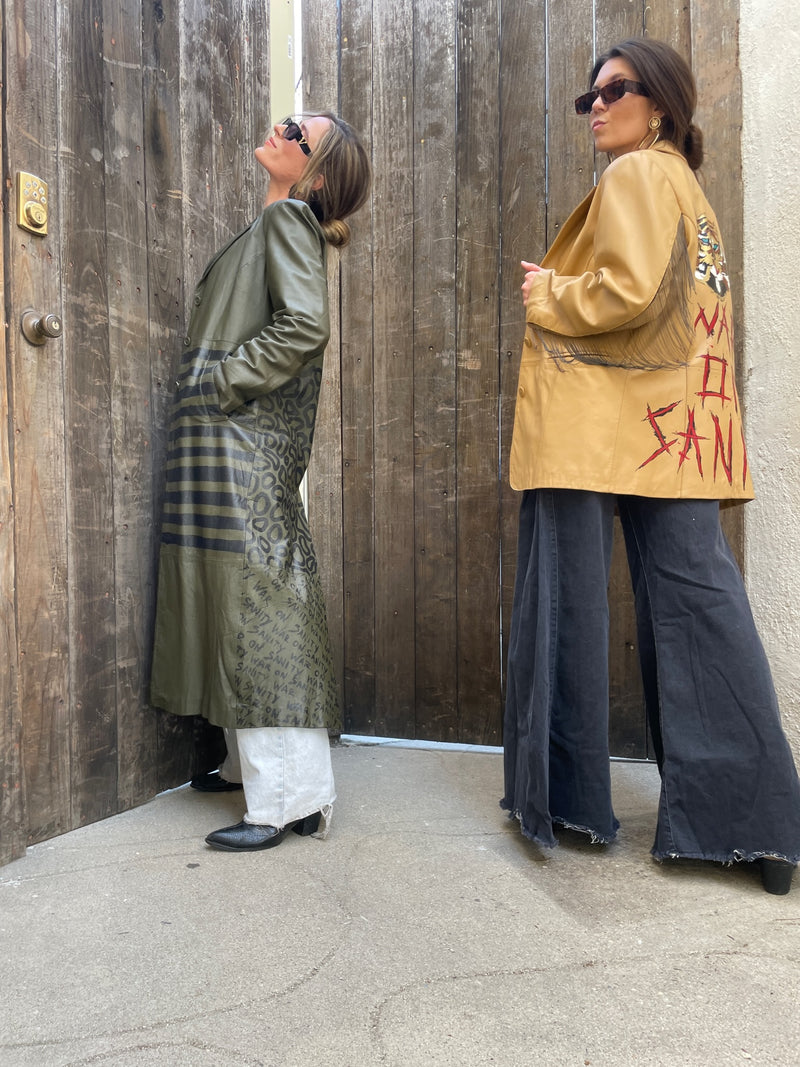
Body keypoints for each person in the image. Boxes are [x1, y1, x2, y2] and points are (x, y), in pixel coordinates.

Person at [501, 38, 800, 894]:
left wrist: (547, 292)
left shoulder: (634, 175)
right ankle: (753, 822)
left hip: (601, 422)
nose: (597, 105)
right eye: (589, 96)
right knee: (702, 609)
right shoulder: (689, 191)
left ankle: (563, 800)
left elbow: (627, 291)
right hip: (679, 428)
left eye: (616, 90)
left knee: (564, 600)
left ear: (659, 103)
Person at [150, 112, 371, 851]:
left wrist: (222, 382)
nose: (278, 130)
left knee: (262, 605)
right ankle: (257, 774)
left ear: (315, 173)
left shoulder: (290, 227)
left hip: (243, 442)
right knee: (228, 595)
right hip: (226, 441)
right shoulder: (272, 222)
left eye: (295, 133)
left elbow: (304, 327)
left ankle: (290, 800)